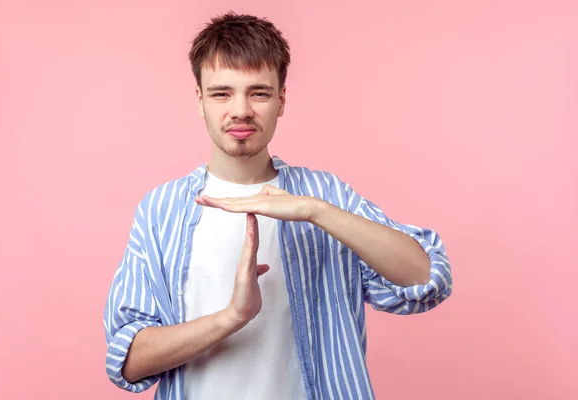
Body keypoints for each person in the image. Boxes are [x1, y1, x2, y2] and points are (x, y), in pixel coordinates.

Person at [103, 11, 452, 400]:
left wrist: (315, 211)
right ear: (200, 100)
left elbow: (426, 280)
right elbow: (127, 359)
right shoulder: (160, 210)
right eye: (222, 93)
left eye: (259, 92)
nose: (241, 110)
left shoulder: (325, 194)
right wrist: (231, 317)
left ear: (281, 99)